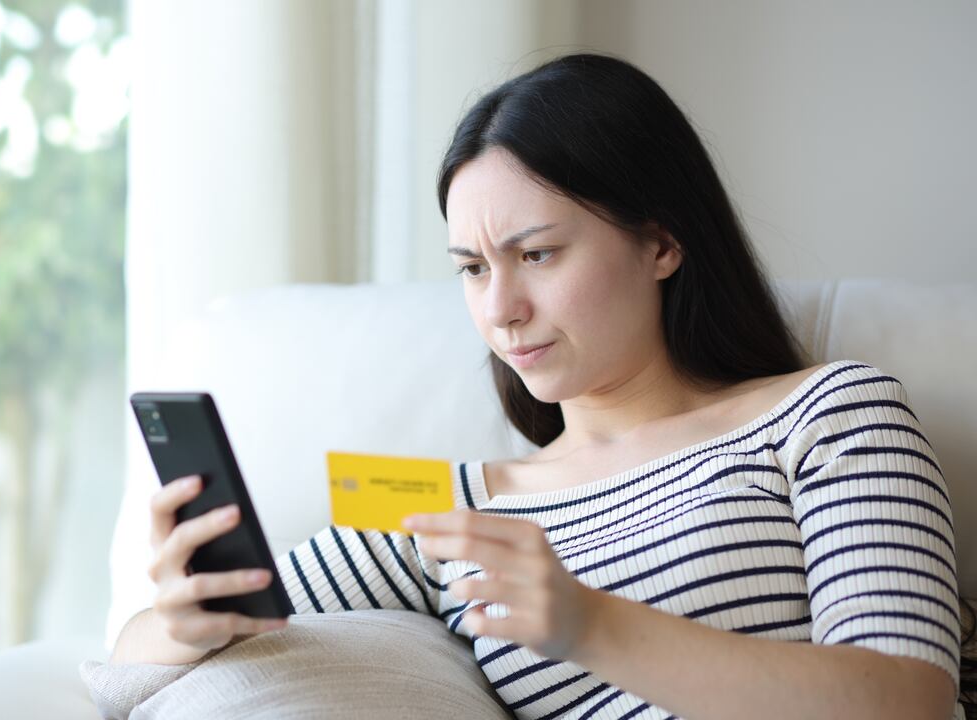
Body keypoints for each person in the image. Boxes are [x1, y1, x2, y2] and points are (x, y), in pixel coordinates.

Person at [114, 52, 975, 719]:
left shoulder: (830, 411)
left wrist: (589, 625)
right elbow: (133, 665)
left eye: (536, 254)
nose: (501, 308)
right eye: (471, 268)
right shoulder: (447, 509)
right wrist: (183, 621)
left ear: (661, 243)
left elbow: (906, 700)